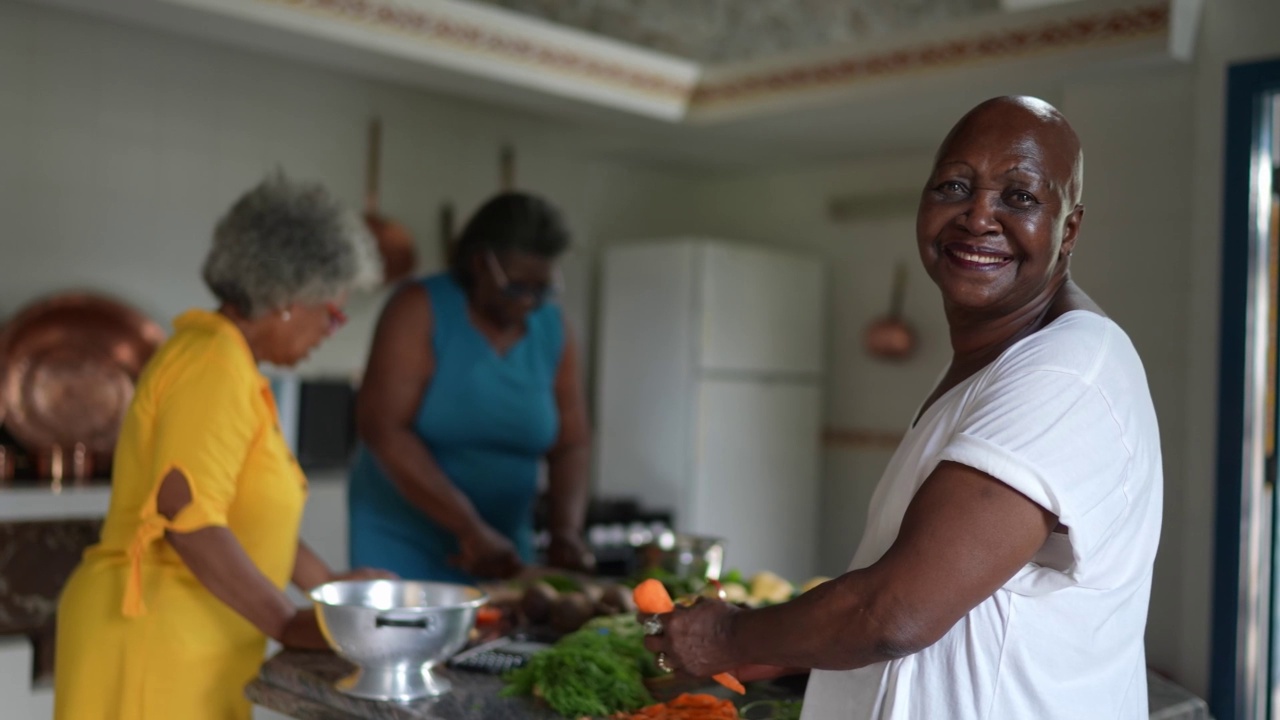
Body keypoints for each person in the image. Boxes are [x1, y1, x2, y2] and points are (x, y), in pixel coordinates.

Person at [641, 96, 1163, 720]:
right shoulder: (990, 362)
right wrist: (776, 643)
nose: (977, 216)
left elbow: (895, 611)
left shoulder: (1069, 370)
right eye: (954, 186)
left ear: (1069, 229)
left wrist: (722, 637)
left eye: (1018, 197)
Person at [54, 173, 396, 720]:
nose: (333, 329)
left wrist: (328, 587)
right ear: (288, 297)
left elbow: (242, 515)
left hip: (198, 640)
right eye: (332, 313)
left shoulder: (233, 366)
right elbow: (187, 517)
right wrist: (286, 620)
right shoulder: (212, 365)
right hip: (154, 639)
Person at [349, 191, 594, 583]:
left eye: (542, 288)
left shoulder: (553, 327)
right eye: (517, 287)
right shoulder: (418, 307)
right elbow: (382, 428)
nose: (530, 302)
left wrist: (566, 531)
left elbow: (571, 442)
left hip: (503, 543)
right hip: (405, 538)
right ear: (480, 263)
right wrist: (468, 528)